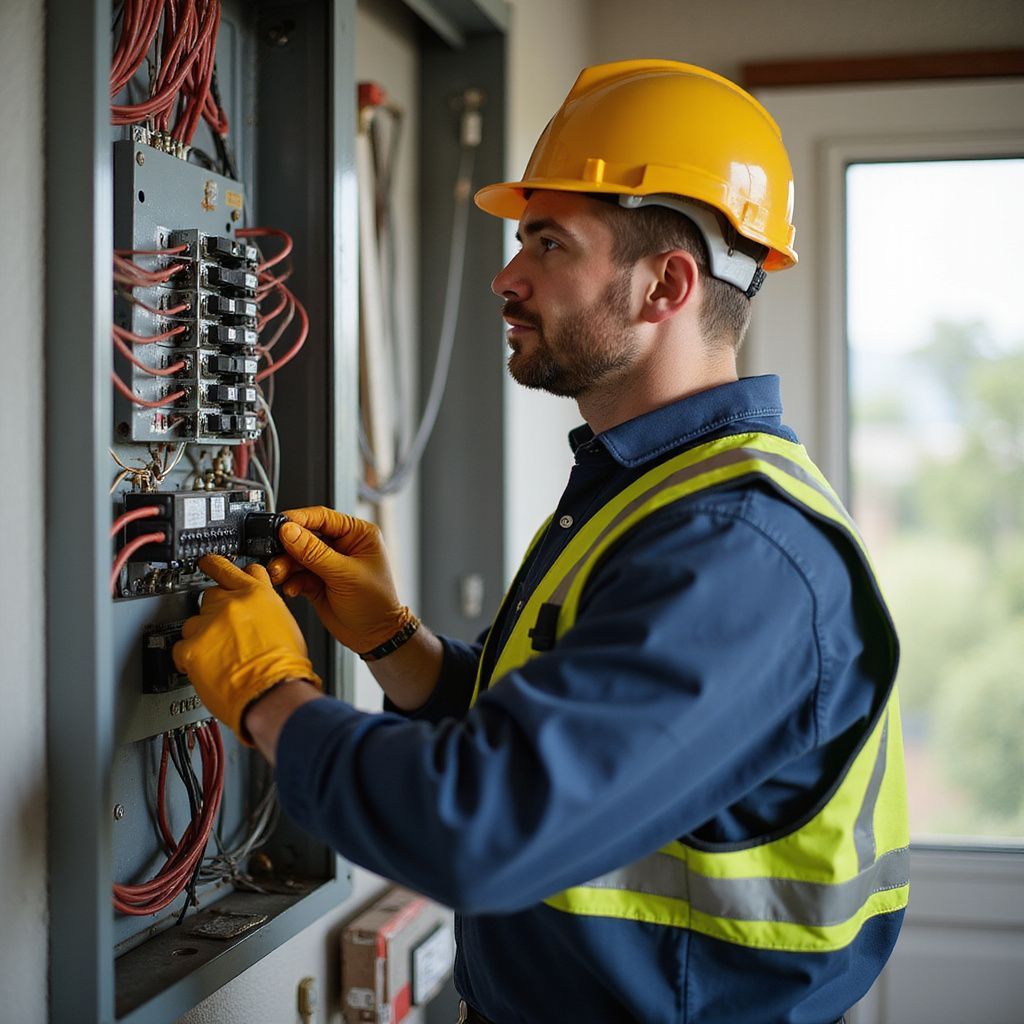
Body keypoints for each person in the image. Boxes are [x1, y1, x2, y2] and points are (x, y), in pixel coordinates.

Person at [174, 59, 909, 1024]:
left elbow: (480, 831)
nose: (506, 277)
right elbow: (552, 747)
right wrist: (397, 643)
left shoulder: (740, 549)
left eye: (549, 243)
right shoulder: (648, 492)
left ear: (665, 285)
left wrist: (271, 694)